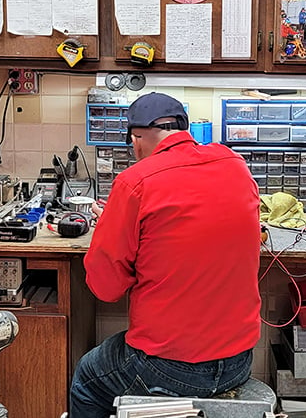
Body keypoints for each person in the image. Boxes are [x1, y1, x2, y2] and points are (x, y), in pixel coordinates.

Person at [69, 92, 261, 418]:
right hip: (238, 360)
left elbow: (106, 288)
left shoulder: (135, 182)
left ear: (137, 138)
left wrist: (111, 229)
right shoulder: (234, 165)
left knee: (88, 376)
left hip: (168, 368)